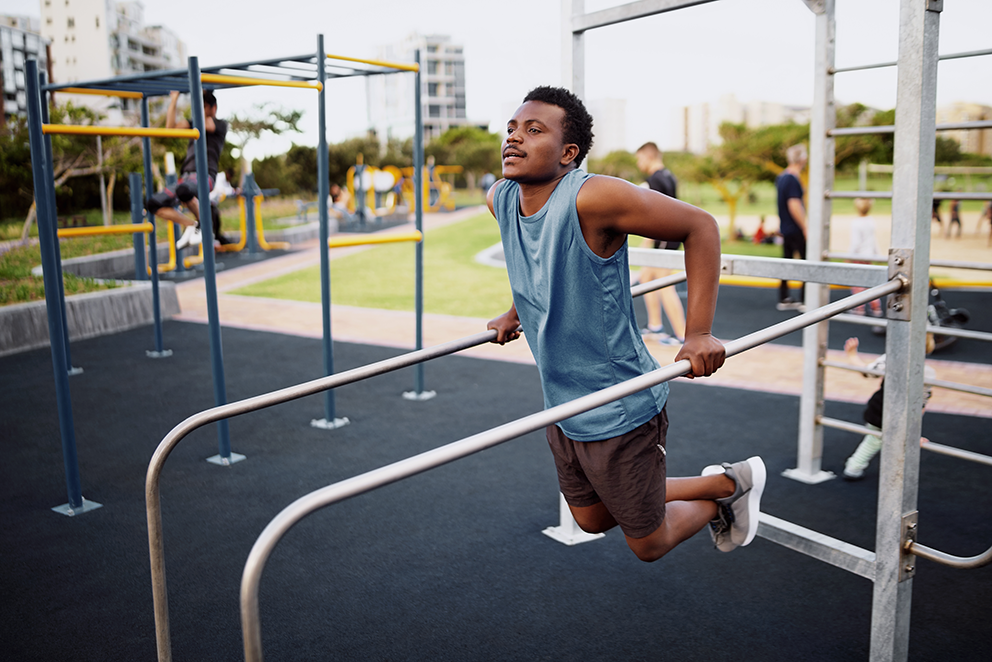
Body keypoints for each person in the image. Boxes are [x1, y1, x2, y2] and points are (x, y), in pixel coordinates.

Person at [486, 86, 765, 562]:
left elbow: (701, 227)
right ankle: (725, 482)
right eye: (512, 128)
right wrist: (518, 310)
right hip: (562, 401)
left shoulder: (594, 197)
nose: (515, 137)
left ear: (568, 153)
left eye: (534, 130)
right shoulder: (501, 198)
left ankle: (729, 486)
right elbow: (530, 261)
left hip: (619, 401)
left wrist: (697, 332)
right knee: (591, 519)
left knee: (649, 544)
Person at [841, 336, 934, 480]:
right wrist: (914, 428)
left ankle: (855, 467)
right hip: (901, 411)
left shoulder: (888, 359)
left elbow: (867, 372)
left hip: (880, 406)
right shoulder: (926, 372)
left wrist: (852, 355)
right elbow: (921, 400)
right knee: (889, 439)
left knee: (876, 438)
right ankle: (856, 467)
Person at [145, 90, 228, 249]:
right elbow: (170, 129)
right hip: (186, 176)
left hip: (205, 176)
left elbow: (207, 124)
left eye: (203, 106)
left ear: (213, 108)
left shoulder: (220, 125)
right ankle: (192, 225)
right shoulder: (194, 123)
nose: (200, 109)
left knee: (184, 191)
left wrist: (200, 94)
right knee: (153, 203)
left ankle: (206, 226)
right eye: (199, 106)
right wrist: (174, 99)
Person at [634, 141, 686, 346]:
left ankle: (682, 335)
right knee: (646, 276)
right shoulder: (668, 175)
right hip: (670, 236)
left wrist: (646, 243)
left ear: (648, 157)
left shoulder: (654, 180)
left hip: (665, 238)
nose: (639, 164)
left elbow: (652, 214)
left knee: (664, 285)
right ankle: (655, 326)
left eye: (639, 159)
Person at [775, 144, 808, 311]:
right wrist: (805, 226)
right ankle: (806, 299)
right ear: (802, 158)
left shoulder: (781, 177)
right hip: (795, 228)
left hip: (785, 227)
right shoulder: (792, 178)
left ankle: (784, 297)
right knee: (806, 262)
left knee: (786, 262)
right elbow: (794, 205)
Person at [848, 198, 882, 317]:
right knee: (869, 283)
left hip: (859, 256)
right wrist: (877, 255)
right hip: (869, 256)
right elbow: (873, 240)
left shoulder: (856, 223)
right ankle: (875, 307)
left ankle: (859, 308)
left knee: (857, 283)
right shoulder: (871, 221)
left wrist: (849, 256)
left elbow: (855, 242)